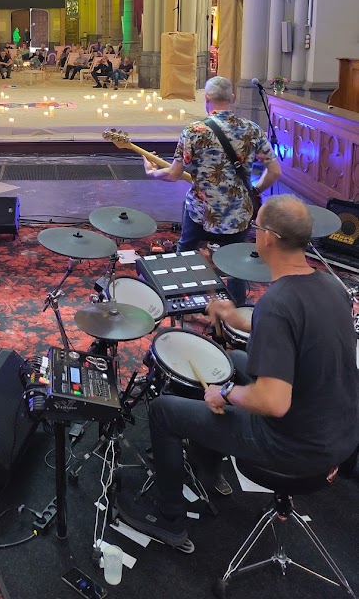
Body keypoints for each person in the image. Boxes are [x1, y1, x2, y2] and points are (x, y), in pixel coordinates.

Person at [115, 195, 359, 549]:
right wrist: (232, 317)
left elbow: (273, 402)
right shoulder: (331, 286)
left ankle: (169, 519)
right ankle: (210, 470)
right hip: (340, 433)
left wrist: (225, 394)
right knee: (235, 363)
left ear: (268, 238)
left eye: (256, 226)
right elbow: (297, 331)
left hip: (294, 446)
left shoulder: (278, 304)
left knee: (165, 411)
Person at [142, 76, 281, 304]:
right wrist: (254, 190)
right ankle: (235, 308)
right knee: (236, 261)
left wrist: (151, 172)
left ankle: (180, 298)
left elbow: (174, 174)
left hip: (200, 211)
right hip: (238, 214)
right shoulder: (252, 129)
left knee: (186, 249)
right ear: (233, 98)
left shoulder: (194, 131)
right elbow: (275, 172)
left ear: (206, 98)